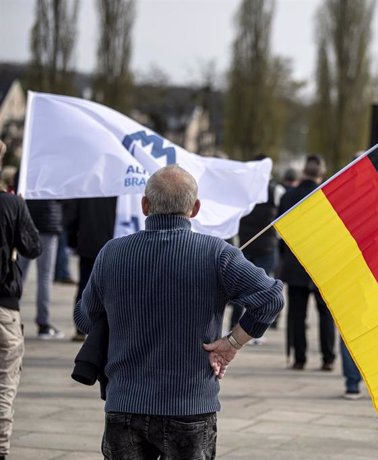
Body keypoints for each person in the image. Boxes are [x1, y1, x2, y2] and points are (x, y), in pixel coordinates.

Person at [73, 165, 284, 459]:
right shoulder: (217, 253)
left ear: (145, 205)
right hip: (190, 405)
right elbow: (271, 298)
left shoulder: (112, 252)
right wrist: (232, 343)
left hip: (125, 403)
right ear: (195, 208)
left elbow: (85, 318)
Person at [0, 139, 42, 459]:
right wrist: (20, 209)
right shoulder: (11, 205)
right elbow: (33, 247)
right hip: (4, 306)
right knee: (4, 385)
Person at [279, 155, 336, 371]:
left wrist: (285, 257)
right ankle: (328, 357)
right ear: (321, 173)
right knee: (325, 314)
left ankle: (299, 358)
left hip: (296, 262)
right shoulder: (327, 195)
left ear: (304, 171)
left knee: (296, 314)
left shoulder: (289, 196)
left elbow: (281, 233)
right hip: (322, 263)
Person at [232, 155, 285, 336]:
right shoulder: (276, 190)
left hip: (250, 245)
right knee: (262, 289)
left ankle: (238, 326)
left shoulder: (245, 188)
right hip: (266, 247)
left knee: (241, 287)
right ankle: (249, 329)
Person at [63, 197, 117, 342]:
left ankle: (81, 327)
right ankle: (106, 327)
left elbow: (71, 218)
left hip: (88, 243)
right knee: (111, 287)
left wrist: (73, 241)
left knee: (84, 285)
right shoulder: (116, 190)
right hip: (112, 243)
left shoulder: (87, 189)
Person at [17, 198, 63, 339]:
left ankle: (12, 319)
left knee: (19, 274)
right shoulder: (53, 176)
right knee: (45, 277)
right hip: (48, 223)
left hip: (26, 222)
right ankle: (43, 323)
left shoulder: (25, 175)